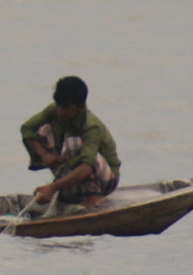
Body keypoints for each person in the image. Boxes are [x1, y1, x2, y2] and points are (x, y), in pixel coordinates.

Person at [20, 75, 120, 210]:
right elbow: (27, 129)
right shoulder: (54, 110)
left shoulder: (91, 126)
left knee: (73, 145)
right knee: (43, 131)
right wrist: (45, 156)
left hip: (105, 180)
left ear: (80, 107)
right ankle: (69, 190)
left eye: (66, 108)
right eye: (59, 106)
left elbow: (87, 166)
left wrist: (52, 188)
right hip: (73, 172)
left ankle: (93, 194)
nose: (61, 112)